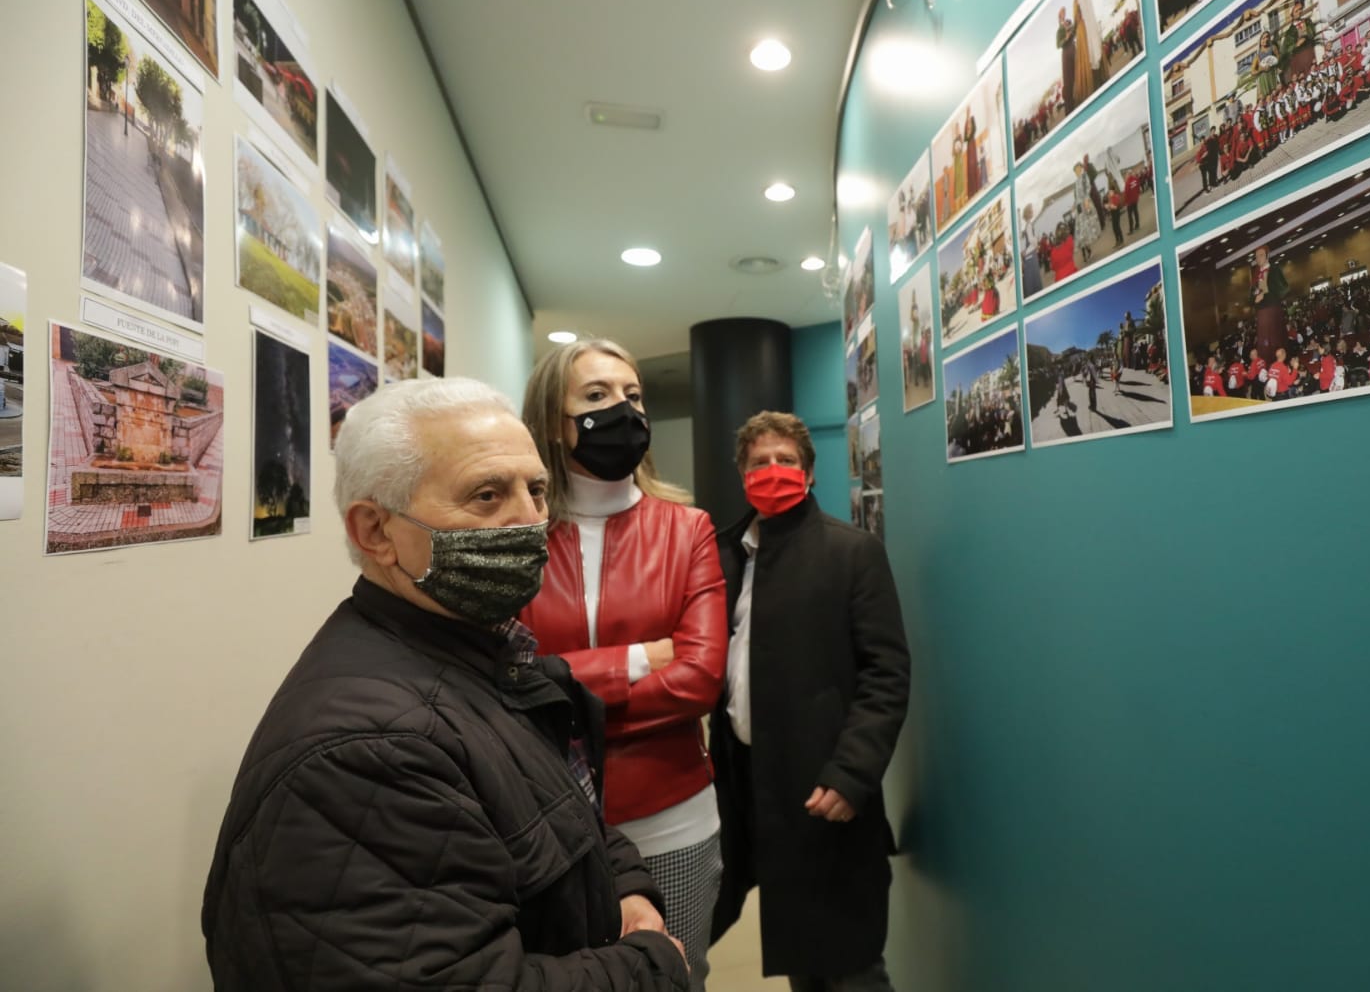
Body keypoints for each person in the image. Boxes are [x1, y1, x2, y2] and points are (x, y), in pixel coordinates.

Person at [202, 378, 688, 990]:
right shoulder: (365, 753)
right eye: (486, 495)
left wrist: (626, 887)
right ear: (375, 531)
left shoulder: (483, 655)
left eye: (536, 490)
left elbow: (558, 812)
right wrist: (650, 964)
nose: (530, 520)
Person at [518, 339, 729, 992]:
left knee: (674, 978)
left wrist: (563, 687)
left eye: (633, 395)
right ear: (554, 420)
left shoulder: (686, 529)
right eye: (596, 396)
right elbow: (506, 679)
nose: (623, 409)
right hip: (544, 819)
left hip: (670, 816)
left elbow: (698, 681)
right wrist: (640, 658)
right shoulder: (517, 534)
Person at [710, 412, 911, 992]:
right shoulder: (727, 555)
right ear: (742, 476)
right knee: (801, 958)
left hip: (828, 794)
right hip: (755, 792)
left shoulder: (853, 553)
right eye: (758, 464)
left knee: (851, 966)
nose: (773, 473)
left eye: (786, 461)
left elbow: (887, 672)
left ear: (811, 472)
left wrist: (852, 775)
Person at [1251, 244, 1288, 356]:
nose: (1258, 258)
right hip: (1262, 312)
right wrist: (1255, 298)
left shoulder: (1275, 269)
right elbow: (1252, 294)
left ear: (1267, 256)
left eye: (1261, 255)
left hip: (1273, 310)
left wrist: (1266, 295)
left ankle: (1281, 364)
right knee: (1264, 342)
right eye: (1256, 256)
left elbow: (1285, 288)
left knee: (1276, 339)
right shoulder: (1255, 275)